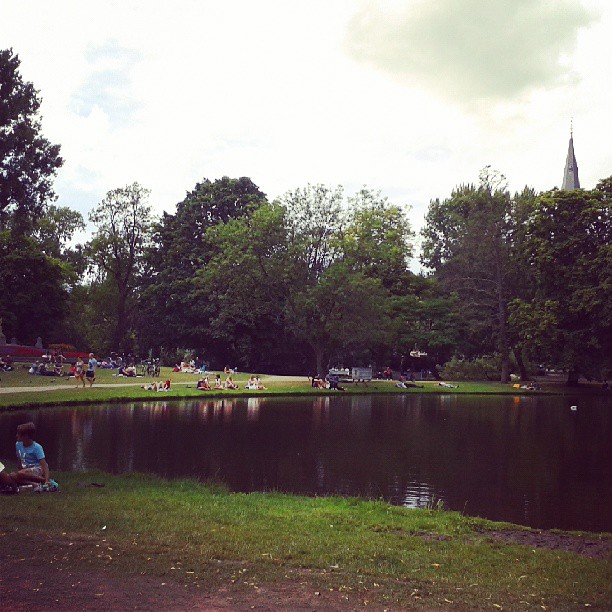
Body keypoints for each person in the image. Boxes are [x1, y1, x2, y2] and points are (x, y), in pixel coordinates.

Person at [12, 422, 50, 487]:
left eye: (19, 434)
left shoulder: (37, 447)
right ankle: (34, 484)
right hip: (25, 470)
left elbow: (44, 465)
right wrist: (20, 471)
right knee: (12, 475)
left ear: (26, 436)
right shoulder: (18, 444)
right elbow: (19, 460)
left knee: (20, 473)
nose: (16, 435)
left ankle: (43, 480)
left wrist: (47, 479)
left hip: (37, 468)